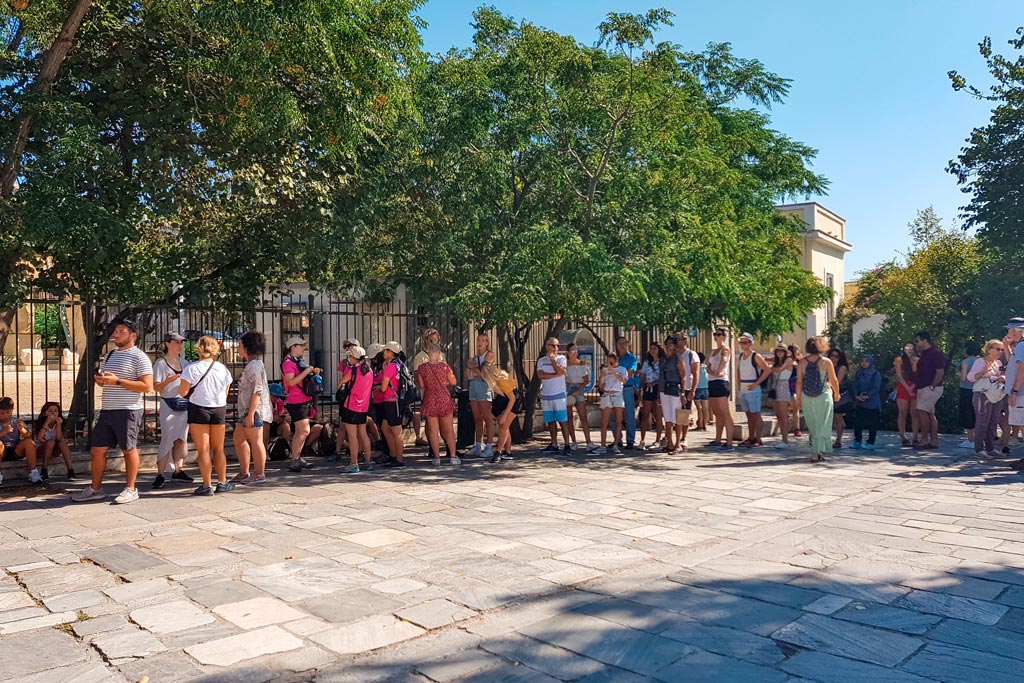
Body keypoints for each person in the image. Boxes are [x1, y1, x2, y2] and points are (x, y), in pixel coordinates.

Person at [72, 317, 153, 503]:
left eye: (120, 331)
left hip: (128, 410)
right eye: (115, 331)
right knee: (97, 450)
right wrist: (102, 380)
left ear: (133, 335)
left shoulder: (140, 357)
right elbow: (108, 382)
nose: (115, 335)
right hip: (107, 409)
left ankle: (131, 489)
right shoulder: (110, 355)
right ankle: (95, 488)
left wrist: (117, 381)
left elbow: (147, 386)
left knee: (128, 449)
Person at [178, 336, 234, 495]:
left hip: (198, 408)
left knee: (203, 449)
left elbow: (182, 392)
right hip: (219, 408)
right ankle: (222, 481)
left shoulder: (191, 368)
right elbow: (226, 392)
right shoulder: (223, 368)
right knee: (219, 448)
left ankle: (207, 485)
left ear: (198, 348)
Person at [152, 332, 193, 488]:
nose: (180, 345)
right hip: (168, 403)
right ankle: (160, 473)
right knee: (168, 437)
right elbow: (156, 387)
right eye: (176, 342)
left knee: (181, 438)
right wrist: (167, 381)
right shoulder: (160, 364)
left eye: (181, 343)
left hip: (183, 403)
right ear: (167, 343)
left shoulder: (185, 363)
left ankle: (178, 470)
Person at [231, 331, 270, 484]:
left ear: (247, 348)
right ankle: (244, 472)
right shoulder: (253, 365)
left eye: (240, 345)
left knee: (256, 441)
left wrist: (251, 413)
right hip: (248, 410)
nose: (238, 348)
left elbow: (257, 390)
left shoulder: (254, 366)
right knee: (239, 439)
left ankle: (259, 474)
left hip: (253, 411)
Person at [795, 336, 841, 463]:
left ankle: (816, 450)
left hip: (807, 396)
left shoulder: (802, 362)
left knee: (813, 424)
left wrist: (798, 398)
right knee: (823, 424)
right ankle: (817, 452)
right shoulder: (826, 361)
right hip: (823, 395)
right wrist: (837, 394)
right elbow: (833, 380)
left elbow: (799, 382)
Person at [281, 337, 322, 473]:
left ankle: (296, 457)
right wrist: (306, 371)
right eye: (301, 346)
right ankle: (294, 459)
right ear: (293, 347)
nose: (303, 348)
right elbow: (291, 382)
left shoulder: (298, 361)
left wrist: (312, 372)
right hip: (296, 401)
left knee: (301, 431)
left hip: (303, 400)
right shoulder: (288, 363)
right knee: (304, 431)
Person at [416, 342, 459, 466]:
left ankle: (436, 457)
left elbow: (422, 385)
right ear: (439, 354)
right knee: (449, 430)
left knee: (433, 431)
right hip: (444, 398)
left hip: (430, 399)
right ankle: (453, 456)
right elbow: (453, 381)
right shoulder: (445, 366)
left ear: (428, 353)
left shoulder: (422, 368)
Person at [339, 345, 376, 473]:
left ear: (354, 358)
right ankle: (367, 462)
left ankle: (354, 463)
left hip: (351, 406)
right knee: (363, 434)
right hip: (364, 407)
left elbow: (341, 383)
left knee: (352, 435)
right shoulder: (370, 371)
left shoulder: (353, 370)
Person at [968, 339, 1006, 458]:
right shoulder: (980, 361)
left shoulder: (998, 363)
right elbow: (970, 377)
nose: (1000, 351)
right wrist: (983, 371)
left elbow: (1001, 376)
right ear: (989, 349)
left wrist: (1002, 377)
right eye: (997, 349)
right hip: (982, 394)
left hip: (996, 395)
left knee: (993, 421)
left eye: (1001, 349)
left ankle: (990, 448)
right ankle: (979, 449)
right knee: (982, 421)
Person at [537, 338, 573, 456]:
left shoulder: (561, 359)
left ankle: (567, 444)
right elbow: (541, 375)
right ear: (547, 346)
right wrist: (554, 375)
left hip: (559, 395)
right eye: (553, 345)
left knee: (562, 421)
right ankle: (554, 444)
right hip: (546, 394)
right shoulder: (541, 360)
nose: (555, 348)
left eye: (558, 346)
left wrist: (553, 361)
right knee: (550, 421)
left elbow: (561, 372)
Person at [374, 341, 406, 468]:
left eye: (386, 350)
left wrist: (378, 387)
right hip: (393, 400)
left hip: (393, 401)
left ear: (391, 352)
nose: (383, 352)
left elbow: (383, 387)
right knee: (385, 427)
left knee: (396, 431)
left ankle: (399, 459)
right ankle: (393, 455)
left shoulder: (391, 366)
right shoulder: (399, 364)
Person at [736, 333, 771, 447]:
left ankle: (758, 438)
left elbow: (767, 370)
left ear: (750, 343)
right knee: (748, 414)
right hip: (744, 388)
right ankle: (750, 437)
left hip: (753, 388)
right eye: (741, 342)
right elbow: (739, 371)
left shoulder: (756, 356)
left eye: (745, 342)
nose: (742, 345)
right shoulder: (741, 356)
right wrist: (738, 385)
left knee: (756, 414)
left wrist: (756, 383)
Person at [913, 331, 947, 450]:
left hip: (931, 387)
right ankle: (934, 441)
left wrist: (933, 385)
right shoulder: (923, 354)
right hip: (923, 386)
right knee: (930, 413)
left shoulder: (935, 353)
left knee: (921, 410)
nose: (916, 344)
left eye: (917, 341)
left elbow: (940, 371)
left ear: (924, 340)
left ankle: (924, 440)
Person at [481, 362, 520, 462]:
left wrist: (505, 414)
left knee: (504, 426)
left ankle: (498, 452)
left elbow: (512, 398)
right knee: (504, 427)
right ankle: (508, 451)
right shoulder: (493, 381)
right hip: (502, 400)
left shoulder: (502, 379)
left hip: (512, 401)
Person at [466, 333, 495, 459]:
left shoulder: (489, 355)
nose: (480, 343)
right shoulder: (474, 358)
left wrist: (473, 369)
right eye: (478, 340)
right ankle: (477, 444)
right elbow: (468, 374)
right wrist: (473, 369)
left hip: (484, 385)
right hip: (474, 385)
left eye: (483, 340)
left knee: (487, 416)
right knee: (477, 417)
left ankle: (489, 446)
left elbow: (482, 372)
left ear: (487, 343)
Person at [0, 396, 41, 486]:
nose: (5, 415)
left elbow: (28, 436)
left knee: (29, 442)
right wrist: (3, 432)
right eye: (2, 413)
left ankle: (34, 472)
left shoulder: (16, 421)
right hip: (2, 451)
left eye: (8, 412)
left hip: (15, 450)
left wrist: (22, 429)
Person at [411, 330, 441, 448]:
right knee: (430, 421)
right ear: (425, 341)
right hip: (428, 393)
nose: (433, 342)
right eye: (431, 340)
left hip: (440, 393)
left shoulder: (440, 355)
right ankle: (432, 447)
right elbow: (417, 375)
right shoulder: (421, 357)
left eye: (435, 340)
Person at [565, 343, 596, 452]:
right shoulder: (565, 365)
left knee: (583, 416)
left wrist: (579, 390)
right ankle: (573, 442)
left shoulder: (582, 364)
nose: (575, 353)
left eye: (576, 351)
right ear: (568, 353)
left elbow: (586, 380)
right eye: (573, 351)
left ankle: (588, 442)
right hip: (568, 388)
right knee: (569, 417)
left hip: (579, 389)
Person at [33, 401, 75, 481]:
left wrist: (58, 425)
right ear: (45, 413)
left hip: (54, 449)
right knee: (50, 442)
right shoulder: (40, 423)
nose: (53, 413)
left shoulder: (59, 423)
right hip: (41, 449)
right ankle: (44, 470)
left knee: (62, 442)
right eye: (50, 411)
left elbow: (59, 438)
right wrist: (47, 422)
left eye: (55, 411)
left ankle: (70, 470)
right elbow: (39, 438)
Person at [707, 329, 734, 449]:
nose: (716, 336)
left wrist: (719, 370)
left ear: (724, 336)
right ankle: (717, 439)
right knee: (716, 412)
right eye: (715, 334)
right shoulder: (713, 351)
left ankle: (729, 442)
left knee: (725, 412)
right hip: (712, 381)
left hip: (721, 382)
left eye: (718, 334)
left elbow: (724, 359)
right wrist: (711, 372)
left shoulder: (725, 349)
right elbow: (708, 365)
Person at [597, 353, 628, 454]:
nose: (609, 364)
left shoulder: (622, 369)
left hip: (618, 394)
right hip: (607, 395)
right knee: (604, 422)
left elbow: (624, 381)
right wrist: (602, 376)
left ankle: (616, 444)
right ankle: (602, 445)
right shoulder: (605, 370)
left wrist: (613, 371)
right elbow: (600, 386)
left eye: (611, 362)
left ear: (616, 361)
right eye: (607, 362)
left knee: (618, 421)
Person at [675, 334, 700, 450]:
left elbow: (696, 373)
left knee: (684, 414)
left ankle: (683, 437)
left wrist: (693, 390)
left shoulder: (691, 355)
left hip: (687, 387)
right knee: (674, 414)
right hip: (673, 387)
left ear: (685, 341)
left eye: (678, 339)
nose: (676, 341)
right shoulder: (672, 354)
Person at [658, 337, 683, 454]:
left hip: (674, 387)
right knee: (667, 417)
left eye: (671, 344)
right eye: (667, 344)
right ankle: (670, 443)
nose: (668, 346)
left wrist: (683, 392)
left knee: (676, 417)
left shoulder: (677, 358)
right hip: (663, 389)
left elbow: (683, 376)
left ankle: (678, 444)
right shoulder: (662, 359)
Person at [851, 354, 882, 450]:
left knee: (872, 424)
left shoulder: (875, 374)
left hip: (872, 403)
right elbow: (855, 385)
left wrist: (867, 396)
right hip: (860, 403)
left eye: (866, 361)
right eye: (862, 361)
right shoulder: (859, 373)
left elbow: (876, 388)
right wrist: (857, 396)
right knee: (858, 423)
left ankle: (870, 442)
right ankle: (857, 441)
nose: (864, 363)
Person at [1004, 318, 1024, 460]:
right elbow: (1013, 363)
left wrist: (1014, 391)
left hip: (1021, 392)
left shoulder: (1022, 346)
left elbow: (1021, 369)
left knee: (1022, 424)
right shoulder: (1019, 346)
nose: (1008, 331)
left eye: (1010, 329)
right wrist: (1007, 346)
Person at [894, 342, 921, 448]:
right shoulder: (899, 360)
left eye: (911, 347)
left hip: (915, 386)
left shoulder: (917, 360)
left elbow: (919, 375)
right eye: (907, 347)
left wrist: (913, 387)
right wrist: (907, 387)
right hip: (903, 386)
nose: (909, 349)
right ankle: (903, 436)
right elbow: (899, 376)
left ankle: (915, 437)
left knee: (915, 412)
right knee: (902, 412)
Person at [615, 337, 640, 449]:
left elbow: (631, 371)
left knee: (629, 415)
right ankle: (617, 439)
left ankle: (630, 440)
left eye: (624, 343)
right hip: (615, 389)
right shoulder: (615, 357)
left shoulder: (631, 358)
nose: (622, 345)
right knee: (614, 415)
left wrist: (620, 377)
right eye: (620, 343)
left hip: (626, 388)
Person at [768, 345, 795, 450]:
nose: (779, 352)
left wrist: (770, 368)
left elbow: (779, 369)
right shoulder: (776, 361)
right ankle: (783, 438)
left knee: (783, 415)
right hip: (775, 386)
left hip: (783, 386)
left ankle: (785, 440)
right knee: (778, 415)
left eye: (782, 351)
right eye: (777, 350)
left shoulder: (788, 360)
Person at [639, 342, 664, 449]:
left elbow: (663, 376)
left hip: (658, 388)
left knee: (658, 415)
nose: (653, 350)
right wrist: (642, 387)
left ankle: (657, 440)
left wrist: (655, 383)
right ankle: (642, 440)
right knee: (645, 414)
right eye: (651, 348)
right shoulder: (646, 362)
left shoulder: (662, 362)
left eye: (655, 348)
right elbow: (643, 375)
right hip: (648, 388)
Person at [958, 340, 982, 449]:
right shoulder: (981, 361)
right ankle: (979, 439)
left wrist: (958, 374)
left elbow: (963, 378)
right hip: (979, 390)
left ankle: (970, 439)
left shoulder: (966, 362)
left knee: (967, 413)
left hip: (966, 390)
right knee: (977, 413)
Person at [829, 348, 852, 448]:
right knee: (835, 417)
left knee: (838, 417)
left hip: (841, 395)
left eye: (836, 356)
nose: (833, 358)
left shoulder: (842, 368)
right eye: (832, 356)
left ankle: (838, 440)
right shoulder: (828, 366)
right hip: (830, 393)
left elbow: (837, 382)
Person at [788, 345, 803, 437]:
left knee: (796, 407)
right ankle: (795, 427)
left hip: (796, 385)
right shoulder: (787, 361)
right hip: (789, 384)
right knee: (793, 407)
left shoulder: (800, 361)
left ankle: (797, 428)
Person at [694, 351, 709, 432]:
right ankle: (704, 425)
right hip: (705, 388)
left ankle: (699, 425)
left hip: (697, 388)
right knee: (705, 408)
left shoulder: (696, 367)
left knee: (699, 408)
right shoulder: (706, 367)